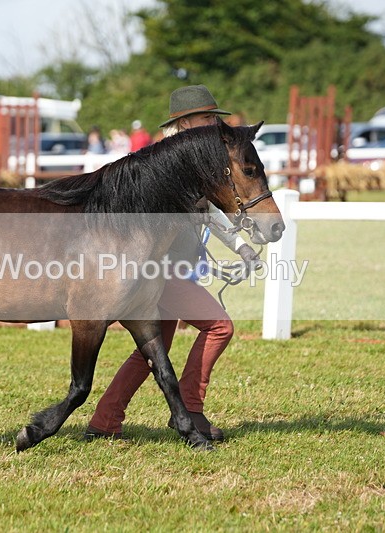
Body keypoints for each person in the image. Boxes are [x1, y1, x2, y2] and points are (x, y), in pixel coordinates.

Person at [85, 85, 261, 442]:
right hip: (159, 271)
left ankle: (104, 422)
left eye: (215, 117)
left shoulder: (194, 161)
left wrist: (241, 245)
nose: (214, 124)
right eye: (207, 118)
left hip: (168, 269)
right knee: (219, 327)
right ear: (184, 123)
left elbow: (212, 211)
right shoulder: (164, 165)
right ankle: (192, 410)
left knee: (151, 351)